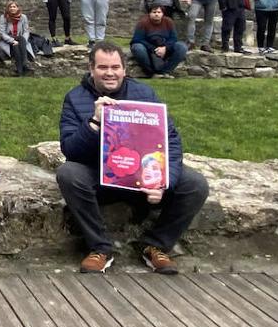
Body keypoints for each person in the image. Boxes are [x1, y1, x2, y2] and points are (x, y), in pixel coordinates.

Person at [56, 42, 209, 274]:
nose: (110, 73)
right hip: (101, 177)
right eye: (103, 67)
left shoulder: (145, 94)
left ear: (124, 69)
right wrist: (94, 122)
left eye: (115, 67)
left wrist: (164, 182)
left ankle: (155, 245)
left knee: (196, 184)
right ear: (91, 68)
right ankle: (100, 248)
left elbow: (170, 141)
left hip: (142, 177)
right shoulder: (75, 98)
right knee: (68, 174)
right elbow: (71, 151)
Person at [129, 6, 188, 76]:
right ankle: (151, 72)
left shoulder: (168, 22)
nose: (156, 14)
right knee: (137, 47)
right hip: (148, 49)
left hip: (165, 47)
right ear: (150, 14)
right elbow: (137, 39)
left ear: (162, 14)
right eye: (154, 12)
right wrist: (154, 49)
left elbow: (173, 38)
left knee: (182, 47)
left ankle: (165, 71)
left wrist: (165, 48)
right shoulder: (143, 22)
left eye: (159, 12)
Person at [0, 1, 31, 76]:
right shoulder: (3, 17)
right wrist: (12, 40)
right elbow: (2, 33)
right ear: (8, 8)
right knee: (15, 45)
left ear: (17, 8)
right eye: (10, 7)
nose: (12, 8)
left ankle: (21, 67)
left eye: (14, 7)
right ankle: (23, 66)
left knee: (21, 39)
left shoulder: (23, 17)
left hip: (20, 39)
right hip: (8, 39)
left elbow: (26, 31)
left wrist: (24, 40)